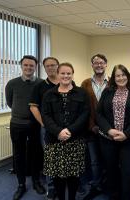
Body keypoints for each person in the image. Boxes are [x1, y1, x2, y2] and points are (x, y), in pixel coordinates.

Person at [41, 62, 90, 200]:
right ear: (58, 74)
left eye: (69, 73)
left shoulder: (82, 93)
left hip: (75, 139)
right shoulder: (49, 94)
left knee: (73, 174)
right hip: (54, 140)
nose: (66, 76)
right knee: (57, 175)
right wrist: (58, 132)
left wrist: (69, 130)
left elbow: (84, 114)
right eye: (62, 73)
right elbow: (46, 116)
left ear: (72, 74)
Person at [96, 64, 130, 200]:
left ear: (127, 76)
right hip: (108, 140)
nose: (121, 78)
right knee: (111, 171)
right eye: (117, 75)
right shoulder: (107, 92)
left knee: (129, 172)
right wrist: (109, 130)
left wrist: (126, 134)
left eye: (123, 75)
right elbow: (99, 114)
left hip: (129, 140)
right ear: (113, 78)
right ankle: (113, 196)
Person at [5, 55, 46, 200]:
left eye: (31, 65)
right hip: (17, 124)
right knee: (19, 154)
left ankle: (36, 181)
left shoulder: (41, 83)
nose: (29, 67)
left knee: (35, 153)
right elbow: (10, 102)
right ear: (21, 66)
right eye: (26, 65)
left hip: (34, 124)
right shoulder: (12, 83)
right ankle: (21, 184)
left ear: (36, 67)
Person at [29, 56, 59, 200]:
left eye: (53, 65)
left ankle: (64, 183)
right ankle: (52, 187)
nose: (51, 68)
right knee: (50, 158)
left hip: (65, 128)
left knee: (65, 155)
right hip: (47, 128)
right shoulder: (40, 86)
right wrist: (43, 124)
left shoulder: (67, 81)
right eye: (48, 66)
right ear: (44, 68)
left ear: (58, 66)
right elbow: (34, 107)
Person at [80, 54, 108, 200]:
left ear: (106, 64)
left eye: (101, 63)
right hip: (91, 130)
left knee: (109, 159)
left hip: (109, 130)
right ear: (92, 65)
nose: (99, 65)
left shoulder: (113, 83)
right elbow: (83, 108)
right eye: (96, 63)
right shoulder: (85, 83)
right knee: (95, 161)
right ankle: (96, 185)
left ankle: (108, 184)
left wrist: (107, 127)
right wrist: (92, 126)